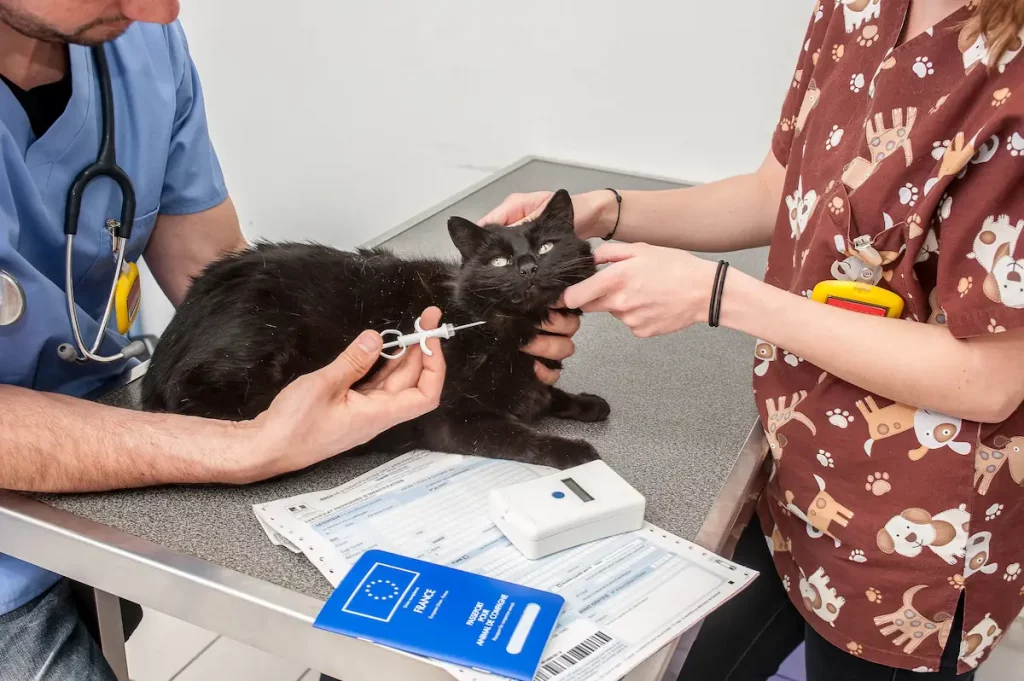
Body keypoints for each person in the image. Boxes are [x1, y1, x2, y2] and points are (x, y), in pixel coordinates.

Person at [0, 1, 579, 679]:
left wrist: (390, 350)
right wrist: (245, 445)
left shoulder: (142, 43)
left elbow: (213, 271)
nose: (161, 10)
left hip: (114, 468)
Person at [481, 1, 1024, 678]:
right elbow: (779, 190)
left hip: (909, 546)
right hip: (790, 466)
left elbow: (992, 378)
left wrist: (719, 298)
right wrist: (606, 210)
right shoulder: (853, 10)